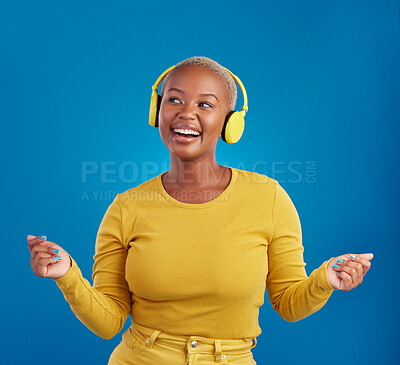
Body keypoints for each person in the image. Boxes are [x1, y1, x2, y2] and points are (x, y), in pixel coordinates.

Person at [27, 56, 374, 365]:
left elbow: (288, 303)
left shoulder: (268, 198)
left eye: (205, 104)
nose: (186, 112)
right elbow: (109, 322)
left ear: (229, 122)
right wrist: (67, 275)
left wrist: (325, 280)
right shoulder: (126, 207)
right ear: (157, 111)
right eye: (174, 99)